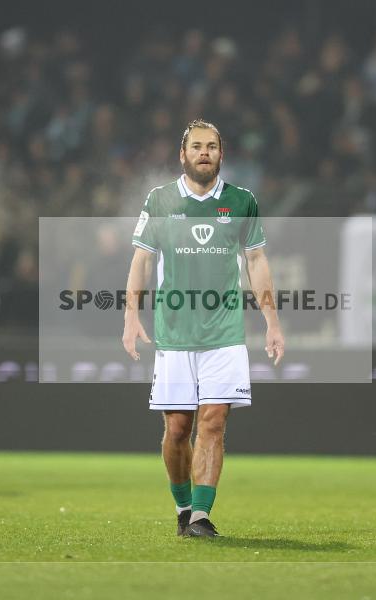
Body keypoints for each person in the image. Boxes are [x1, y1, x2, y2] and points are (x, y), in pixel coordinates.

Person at [122, 120, 284, 537]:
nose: (204, 153)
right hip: (175, 334)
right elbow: (142, 260)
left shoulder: (241, 201)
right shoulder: (160, 200)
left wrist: (271, 321)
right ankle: (183, 507)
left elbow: (256, 261)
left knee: (212, 423)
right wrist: (130, 315)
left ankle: (201, 515)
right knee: (177, 429)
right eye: (196, 146)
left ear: (221, 154)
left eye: (211, 146)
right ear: (183, 154)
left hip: (224, 335)